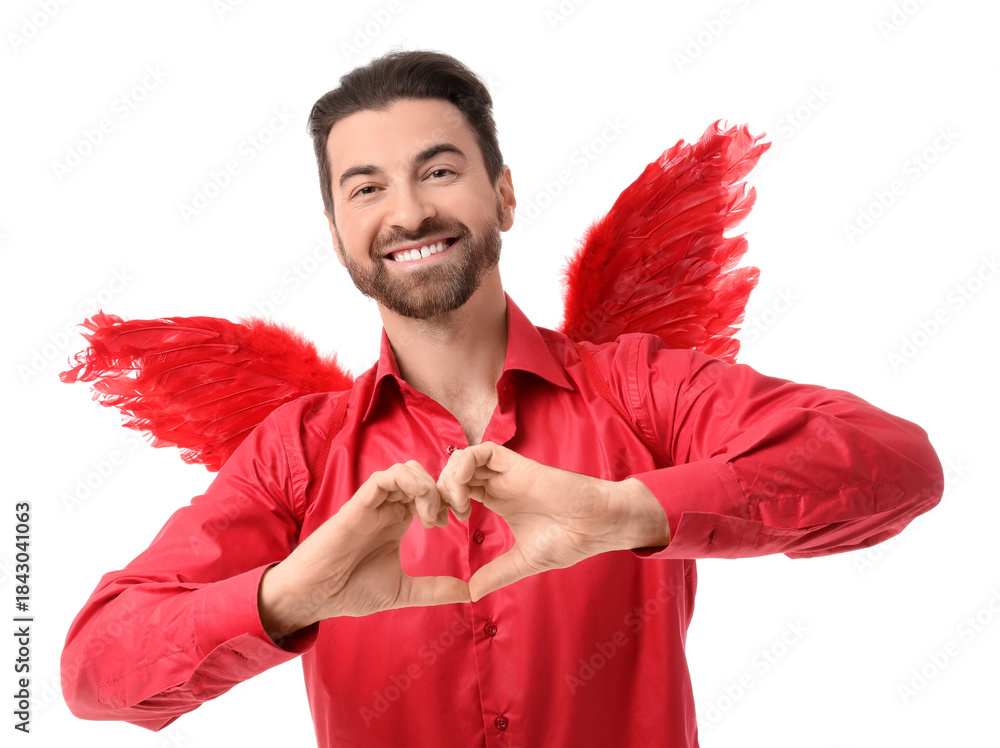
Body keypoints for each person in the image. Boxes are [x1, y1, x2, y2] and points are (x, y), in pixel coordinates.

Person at [61, 50, 944, 747]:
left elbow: (898, 467)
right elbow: (94, 668)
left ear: (504, 194)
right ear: (338, 236)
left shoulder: (638, 390)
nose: (406, 213)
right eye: (366, 187)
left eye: (438, 171)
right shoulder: (300, 454)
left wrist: (628, 510)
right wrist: (289, 594)